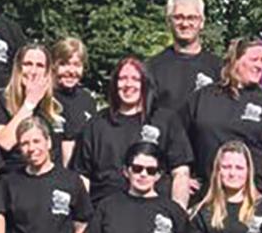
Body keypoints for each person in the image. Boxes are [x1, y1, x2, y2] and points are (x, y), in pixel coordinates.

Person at [181, 37, 262, 213]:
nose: (260, 65)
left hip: (255, 200)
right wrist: (182, 177)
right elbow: (177, 140)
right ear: (235, 60)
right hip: (207, 199)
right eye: (254, 59)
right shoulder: (202, 98)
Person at [72, 57, 192, 205]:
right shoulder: (96, 125)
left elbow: (180, 172)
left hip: (155, 210)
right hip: (104, 210)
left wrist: (178, 213)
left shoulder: (166, 121)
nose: (128, 84)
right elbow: (82, 177)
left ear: (145, 83)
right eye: (122, 79)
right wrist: (85, 215)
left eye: (135, 79)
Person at [0, 43, 66, 171]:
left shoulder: (56, 106)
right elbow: (5, 142)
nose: (33, 71)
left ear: (47, 72)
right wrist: (30, 103)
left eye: (40, 66)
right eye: (28, 64)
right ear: (18, 68)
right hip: (14, 174)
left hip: (49, 177)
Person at [147, 0, 223, 116]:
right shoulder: (152, 68)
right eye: (178, 17)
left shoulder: (219, 68)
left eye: (192, 18)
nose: (185, 24)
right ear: (168, 22)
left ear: (202, 22)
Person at [51, 37, 99, 162]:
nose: (71, 71)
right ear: (53, 65)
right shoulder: (44, 97)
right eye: (64, 64)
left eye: (77, 65)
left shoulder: (87, 100)